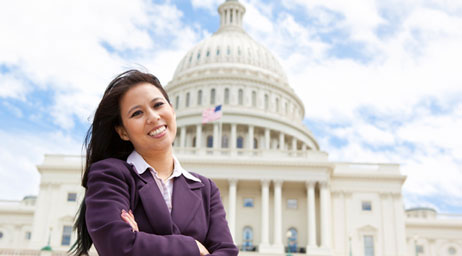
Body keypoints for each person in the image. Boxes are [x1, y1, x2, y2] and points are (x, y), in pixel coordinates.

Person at [71, 70, 238, 256]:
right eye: (137, 113)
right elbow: (118, 246)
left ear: (172, 110)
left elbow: (227, 251)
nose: (153, 117)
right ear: (122, 132)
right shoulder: (110, 175)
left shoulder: (205, 188)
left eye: (158, 105)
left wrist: (141, 240)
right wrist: (194, 247)